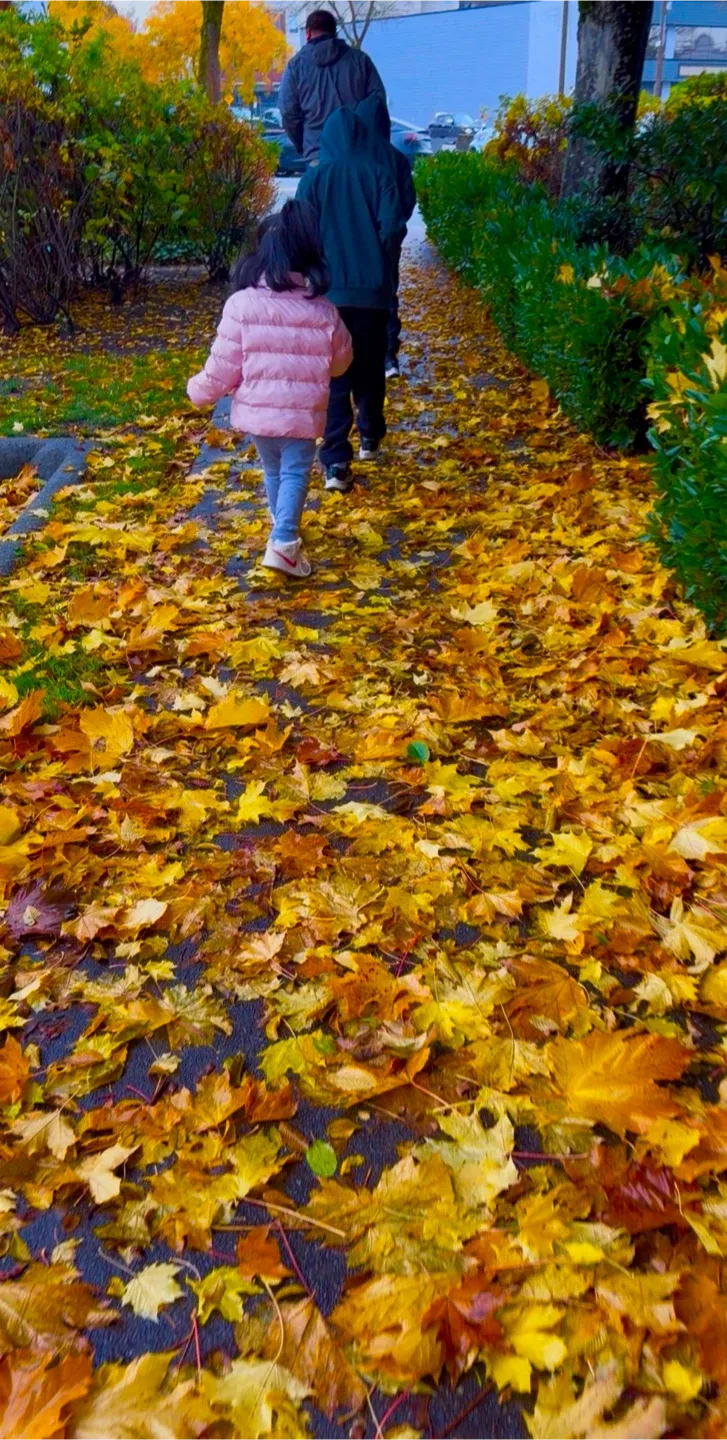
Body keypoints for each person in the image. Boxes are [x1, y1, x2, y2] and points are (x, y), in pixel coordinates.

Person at [187, 201, 352, 578]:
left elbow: (223, 365)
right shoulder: (323, 311)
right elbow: (343, 362)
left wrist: (198, 391)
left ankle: (282, 530)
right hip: (303, 414)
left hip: (259, 417)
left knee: (274, 468)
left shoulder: (241, 305)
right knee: (295, 471)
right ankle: (284, 541)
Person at [298, 108, 404, 493]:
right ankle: (371, 436)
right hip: (372, 293)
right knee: (371, 367)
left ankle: (335, 462)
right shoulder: (380, 175)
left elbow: (300, 233)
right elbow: (392, 226)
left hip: (327, 295)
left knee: (333, 375)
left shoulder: (313, 180)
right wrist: (381, 260)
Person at [355, 94, 416, 378]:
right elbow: (407, 201)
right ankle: (388, 356)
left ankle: (355, 353)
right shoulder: (398, 160)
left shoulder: (352, 160)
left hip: (357, 241)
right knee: (388, 297)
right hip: (387, 243)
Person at [279, 8, 387, 166]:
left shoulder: (295, 66)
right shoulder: (361, 61)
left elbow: (288, 112)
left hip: (316, 156)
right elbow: (378, 105)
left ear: (308, 33)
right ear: (334, 32)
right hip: (357, 156)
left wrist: (304, 143)